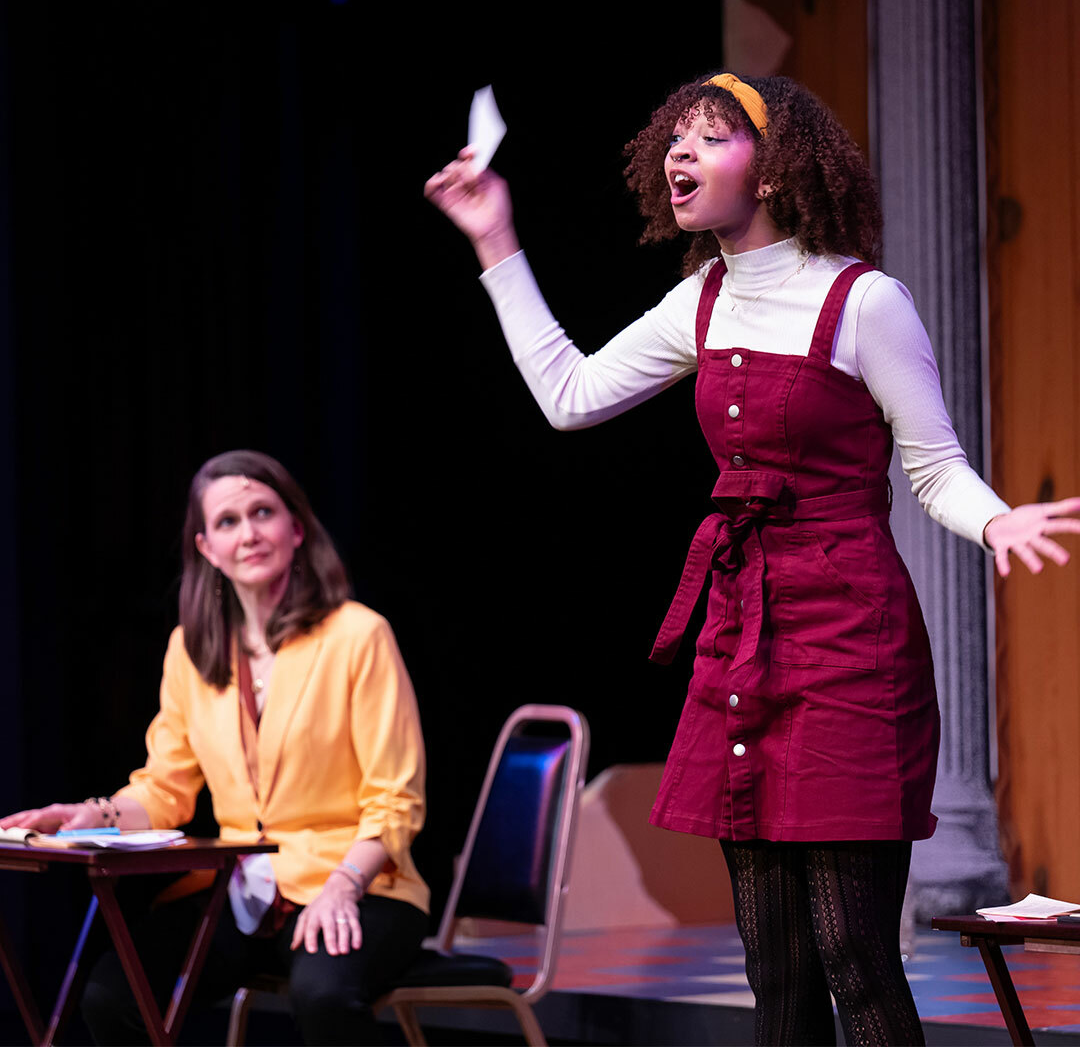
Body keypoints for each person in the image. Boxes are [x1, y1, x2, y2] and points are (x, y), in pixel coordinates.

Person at [425, 73, 1080, 1046]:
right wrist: (494, 241)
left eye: (710, 137)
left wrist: (996, 523)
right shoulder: (703, 298)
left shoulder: (866, 302)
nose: (679, 155)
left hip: (851, 644)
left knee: (856, 961)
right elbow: (569, 394)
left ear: (774, 167)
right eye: (674, 139)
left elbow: (935, 470)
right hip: (743, 639)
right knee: (773, 970)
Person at [1, 449, 428, 1045]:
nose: (249, 533)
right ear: (206, 547)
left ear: (296, 529)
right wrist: (85, 817)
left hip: (359, 880)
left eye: (264, 513)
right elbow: (165, 789)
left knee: (323, 994)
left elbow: (395, 799)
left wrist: (342, 888)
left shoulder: (358, 635)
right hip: (241, 888)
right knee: (111, 995)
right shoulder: (191, 649)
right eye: (229, 521)